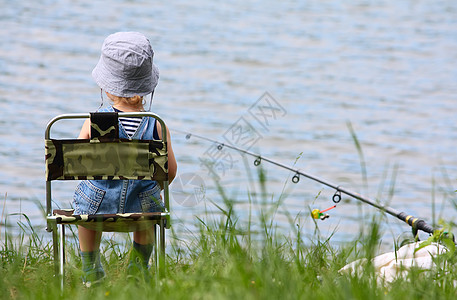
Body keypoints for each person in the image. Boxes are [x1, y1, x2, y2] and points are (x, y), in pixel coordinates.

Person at [72, 31, 177, 286]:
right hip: (141, 210)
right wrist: (155, 190)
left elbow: (75, 163)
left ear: (107, 87)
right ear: (147, 86)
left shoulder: (94, 122)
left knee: (85, 211)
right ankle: (138, 270)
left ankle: (91, 270)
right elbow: (170, 171)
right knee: (149, 206)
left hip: (95, 209)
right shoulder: (157, 125)